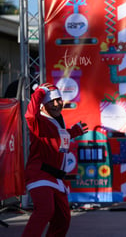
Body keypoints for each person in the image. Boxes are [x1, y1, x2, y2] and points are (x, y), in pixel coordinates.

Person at [22, 83, 88, 237]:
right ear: (43, 104)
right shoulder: (38, 121)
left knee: (63, 219)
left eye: (59, 100)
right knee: (45, 210)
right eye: (52, 101)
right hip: (40, 174)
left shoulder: (58, 120)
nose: (58, 104)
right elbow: (30, 115)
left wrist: (74, 131)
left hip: (57, 177)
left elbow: (57, 139)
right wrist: (40, 92)